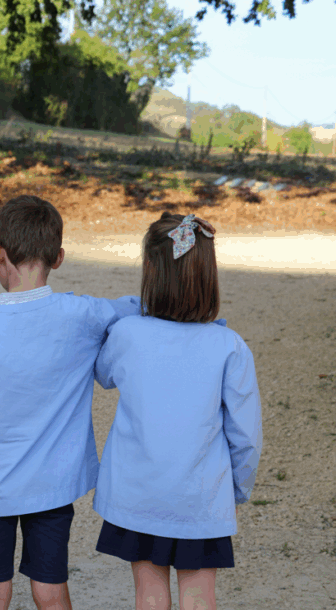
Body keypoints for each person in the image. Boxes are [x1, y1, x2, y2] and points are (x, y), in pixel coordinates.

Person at [0, 195, 140, 610]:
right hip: (54, 485)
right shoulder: (84, 315)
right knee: (49, 587)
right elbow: (131, 309)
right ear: (58, 258)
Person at [92, 213, 262, 610]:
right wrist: (236, 488)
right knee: (200, 597)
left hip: (138, 496)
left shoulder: (128, 334)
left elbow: (103, 374)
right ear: (208, 274)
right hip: (201, 497)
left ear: (150, 269)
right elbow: (246, 436)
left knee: (149, 596)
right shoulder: (230, 346)